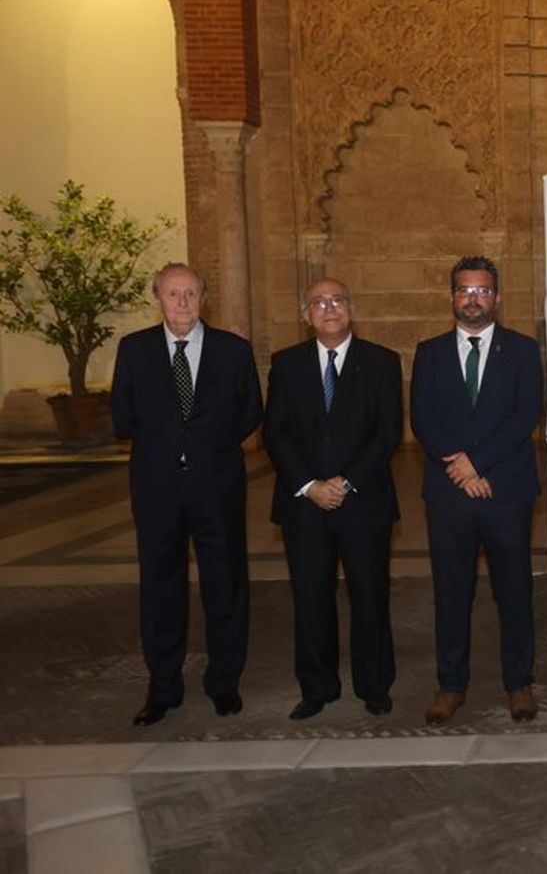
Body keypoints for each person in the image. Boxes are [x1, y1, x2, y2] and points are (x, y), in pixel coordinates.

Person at [110, 262, 262, 726]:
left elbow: (250, 411)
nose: (181, 303)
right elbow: (123, 416)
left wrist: (208, 446)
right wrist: (166, 448)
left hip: (216, 483)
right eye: (172, 294)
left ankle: (223, 682)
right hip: (156, 487)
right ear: (157, 297)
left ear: (203, 298)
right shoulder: (133, 350)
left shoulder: (233, 351)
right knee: (160, 585)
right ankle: (163, 687)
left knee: (225, 583)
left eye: (190, 294)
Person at [263, 277, 403, 720]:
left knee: (369, 596)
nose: (329, 308)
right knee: (310, 598)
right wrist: (309, 485)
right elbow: (275, 432)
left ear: (352, 308)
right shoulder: (285, 364)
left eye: (338, 300)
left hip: (363, 502)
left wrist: (344, 482)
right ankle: (317, 687)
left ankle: (374, 685)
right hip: (304, 504)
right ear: (306, 315)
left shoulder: (382, 362)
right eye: (319, 303)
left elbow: (388, 433)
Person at [410, 256, 542, 724]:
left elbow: (526, 416)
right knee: (451, 592)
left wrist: (478, 462)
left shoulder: (523, 350)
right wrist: (462, 470)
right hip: (449, 495)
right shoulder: (429, 352)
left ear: (497, 298)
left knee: (514, 591)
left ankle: (519, 683)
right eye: (465, 290)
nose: (473, 298)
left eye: (483, 290)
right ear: (452, 297)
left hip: (507, 491)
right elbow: (422, 418)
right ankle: (451, 685)